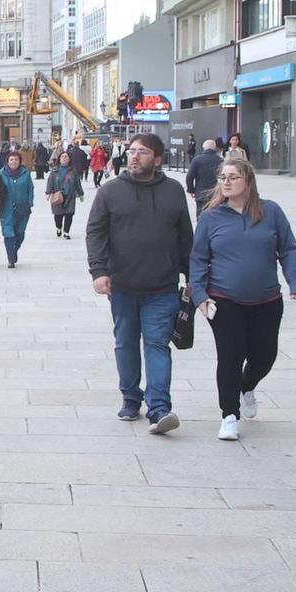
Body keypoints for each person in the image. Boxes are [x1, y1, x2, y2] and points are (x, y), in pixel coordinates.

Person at [190, 158, 296, 442]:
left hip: (266, 299)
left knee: (264, 356)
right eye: (223, 177)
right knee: (230, 356)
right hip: (223, 298)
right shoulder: (210, 217)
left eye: (233, 177)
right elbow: (197, 259)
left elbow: (289, 250)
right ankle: (229, 415)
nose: (226, 182)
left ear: (248, 181)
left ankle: (247, 385)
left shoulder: (271, 212)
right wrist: (200, 296)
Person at [86, 132, 194, 435]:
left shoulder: (173, 191)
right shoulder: (110, 191)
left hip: (162, 286)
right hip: (122, 285)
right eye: (132, 151)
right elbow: (95, 233)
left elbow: (186, 237)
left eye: (143, 152)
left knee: (158, 344)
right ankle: (131, 397)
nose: (135, 156)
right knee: (126, 343)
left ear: (157, 159)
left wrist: (192, 277)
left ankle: (159, 407)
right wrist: (99, 271)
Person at [0, 149, 35, 267]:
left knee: (20, 233)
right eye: (11, 159)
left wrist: (29, 202)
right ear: (7, 161)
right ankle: (10, 258)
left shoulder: (25, 173)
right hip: (7, 209)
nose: (14, 162)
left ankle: (14, 250)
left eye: (16, 159)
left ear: (20, 161)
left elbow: (30, 188)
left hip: (23, 209)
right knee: (8, 232)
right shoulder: (1, 174)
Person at [45, 149, 84, 238]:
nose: (64, 158)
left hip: (70, 196)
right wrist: (48, 193)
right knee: (58, 215)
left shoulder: (73, 171)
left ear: (69, 159)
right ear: (59, 159)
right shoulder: (54, 171)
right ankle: (58, 228)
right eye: (62, 156)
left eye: (66, 156)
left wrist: (81, 194)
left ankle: (66, 232)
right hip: (57, 195)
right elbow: (50, 182)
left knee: (69, 214)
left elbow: (77, 183)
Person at [184, 138, 224, 215]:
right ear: (215, 148)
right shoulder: (220, 160)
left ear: (203, 148)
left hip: (201, 195)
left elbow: (189, 176)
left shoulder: (197, 160)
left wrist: (191, 189)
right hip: (215, 194)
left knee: (201, 217)